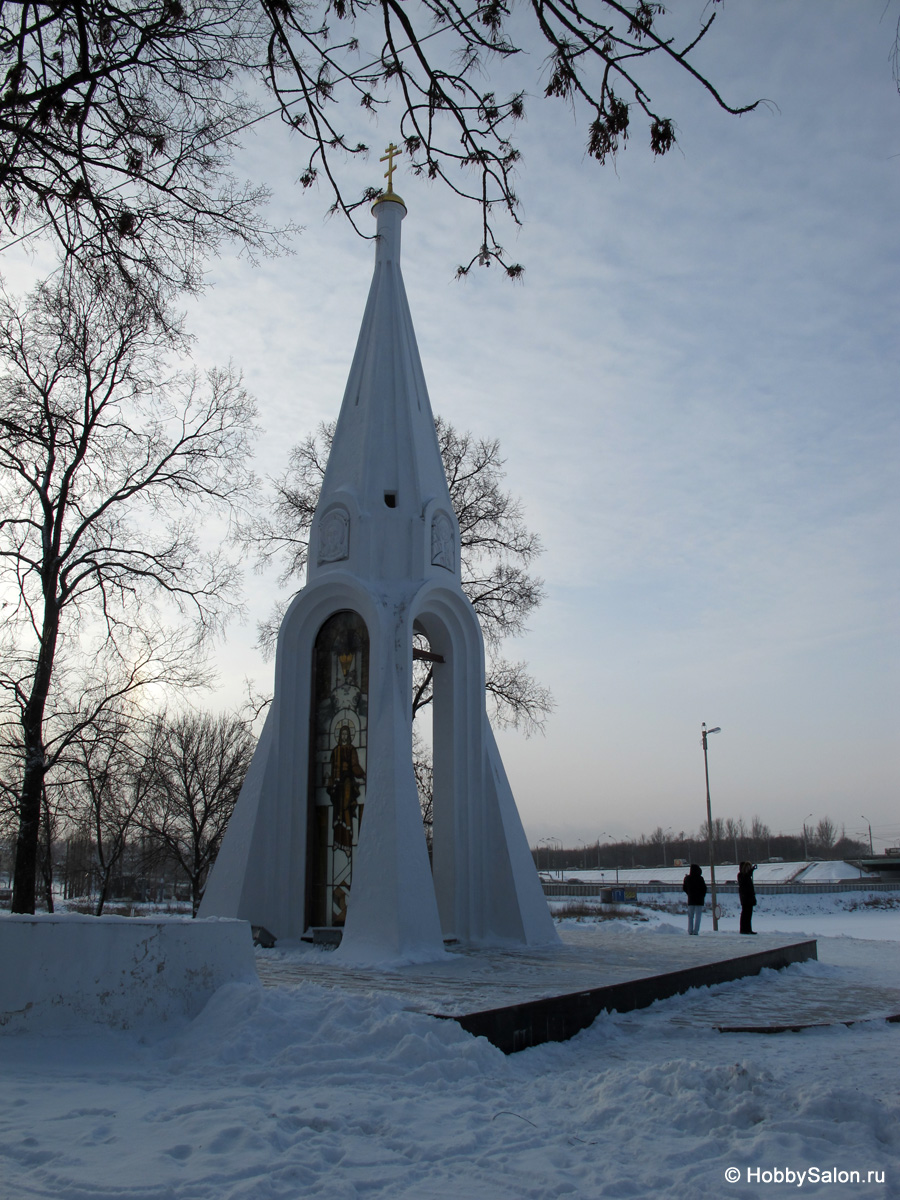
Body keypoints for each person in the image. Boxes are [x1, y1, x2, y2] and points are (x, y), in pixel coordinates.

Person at [682, 863, 707, 935]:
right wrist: (702, 896)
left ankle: (690, 930)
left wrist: (689, 893)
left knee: (690, 916)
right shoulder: (700, 878)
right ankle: (696, 931)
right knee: (698, 916)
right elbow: (704, 889)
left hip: (691, 899)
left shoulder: (687, 878)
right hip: (699, 900)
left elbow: (684, 888)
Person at [738, 861, 758, 934]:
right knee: (745, 914)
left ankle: (748, 929)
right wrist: (751, 870)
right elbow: (745, 878)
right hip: (745, 898)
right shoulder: (741, 875)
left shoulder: (746, 876)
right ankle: (744, 929)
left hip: (748, 897)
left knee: (748, 914)